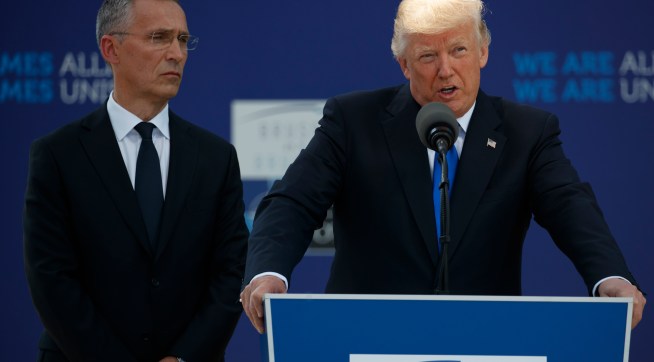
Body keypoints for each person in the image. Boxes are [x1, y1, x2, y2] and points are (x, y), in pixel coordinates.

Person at [240, 0, 646, 334]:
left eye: (459, 50)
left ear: (483, 51)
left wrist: (609, 276)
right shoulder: (353, 121)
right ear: (404, 64)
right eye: (428, 56)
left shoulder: (528, 132)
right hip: (366, 338)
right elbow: (292, 203)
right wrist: (268, 274)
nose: (446, 70)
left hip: (486, 341)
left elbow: (569, 206)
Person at [23, 0, 248, 361]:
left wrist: (182, 358)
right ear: (111, 48)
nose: (176, 53)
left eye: (183, 39)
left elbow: (229, 274)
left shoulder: (216, 157)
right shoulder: (57, 155)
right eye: (159, 37)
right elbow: (50, 277)